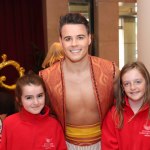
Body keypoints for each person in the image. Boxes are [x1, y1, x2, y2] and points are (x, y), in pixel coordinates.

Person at [39, 12, 119, 150]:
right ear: (61, 40)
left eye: (80, 37)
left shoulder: (110, 71)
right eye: (68, 38)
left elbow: (125, 109)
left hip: (107, 143)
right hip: (64, 144)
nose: (74, 44)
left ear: (89, 38)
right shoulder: (46, 77)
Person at [0, 72, 67, 150]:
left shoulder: (54, 125)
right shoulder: (9, 123)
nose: (36, 102)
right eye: (29, 98)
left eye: (39, 96)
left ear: (45, 95)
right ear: (19, 100)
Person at [101, 61, 150, 150]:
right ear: (122, 87)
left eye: (138, 82)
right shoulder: (113, 114)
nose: (132, 87)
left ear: (147, 82)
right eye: (127, 84)